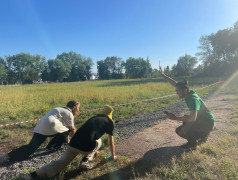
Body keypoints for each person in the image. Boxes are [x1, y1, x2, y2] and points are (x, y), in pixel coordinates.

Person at [23, 105, 116, 179]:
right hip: (86, 146)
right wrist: (112, 156)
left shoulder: (94, 117)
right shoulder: (110, 122)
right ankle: (86, 161)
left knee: (61, 162)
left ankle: (32, 175)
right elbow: (110, 142)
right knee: (98, 141)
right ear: (110, 114)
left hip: (72, 143)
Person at [0, 100, 79, 164]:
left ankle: (6, 156)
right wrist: (74, 141)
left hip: (41, 125)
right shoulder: (69, 114)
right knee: (68, 129)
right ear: (74, 107)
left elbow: (64, 129)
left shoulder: (59, 108)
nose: (78, 110)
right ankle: (52, 147)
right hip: (51, 126)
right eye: (78, 108)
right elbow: (72, 129)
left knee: (31, 147)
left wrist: (67, 139)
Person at [159, 67, 215, 149]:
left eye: (177, 91)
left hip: (208, 123)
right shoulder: (189, 93)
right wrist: (164, 76)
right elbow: (175, 84)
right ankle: (203, 136)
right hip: (207, 120)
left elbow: (193, 118)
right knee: (185, 119)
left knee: (180, 130)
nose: (176, 92)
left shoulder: (192, 99)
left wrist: (175, 118)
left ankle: (193, 144)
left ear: (184, 90)